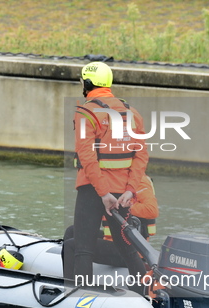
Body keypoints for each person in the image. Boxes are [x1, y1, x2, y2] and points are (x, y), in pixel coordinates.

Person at [68, 61, 149, 293]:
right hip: (122, 194)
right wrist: (130, 190)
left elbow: (87, 158)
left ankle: (82, 298)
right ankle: (146, 293)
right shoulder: (132, 113)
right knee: (128, 248)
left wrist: (103, 193)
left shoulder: (86, 112)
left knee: (83, 248)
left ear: (88, 83)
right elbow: (141, 155)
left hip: (93, 191)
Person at [62, 174, 159, 277]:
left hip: (130, 248)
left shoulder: (140, 181)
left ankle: (73, 286)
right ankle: (70, 272)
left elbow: (151, 210)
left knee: (70, 246)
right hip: (113, 239)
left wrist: (121, 204)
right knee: (71, 231)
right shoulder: (111, 181)